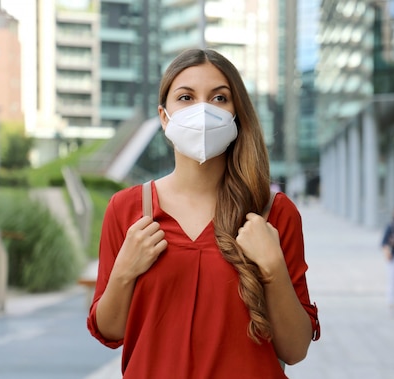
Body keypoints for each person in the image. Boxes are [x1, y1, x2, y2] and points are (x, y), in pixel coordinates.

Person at [87, 48, 320, 378]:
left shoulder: (274, 214)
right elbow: (110, 331)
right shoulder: (128, 210)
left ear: (236, 113)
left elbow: (295, 350)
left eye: (219, 98)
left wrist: (273, 267)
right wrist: (124, 271)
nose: (203, 110)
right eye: (185, 97)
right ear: (164, 116)